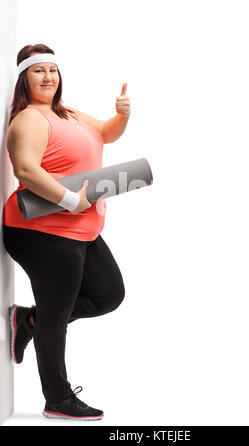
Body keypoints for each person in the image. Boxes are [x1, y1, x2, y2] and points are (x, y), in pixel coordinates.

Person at [2, 44, 131, 421]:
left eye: (52, 71)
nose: (47, 78)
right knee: (56, 317)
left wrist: (121, 116)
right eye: (38, 71)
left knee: (109, 294)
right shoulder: (28, 119)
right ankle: (56, 400)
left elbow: (106, 133)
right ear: (24, 79)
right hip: (44, 229)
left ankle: (29, 319)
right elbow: (26, 170)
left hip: (82, 227)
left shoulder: (67, 113)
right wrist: (68, 200)